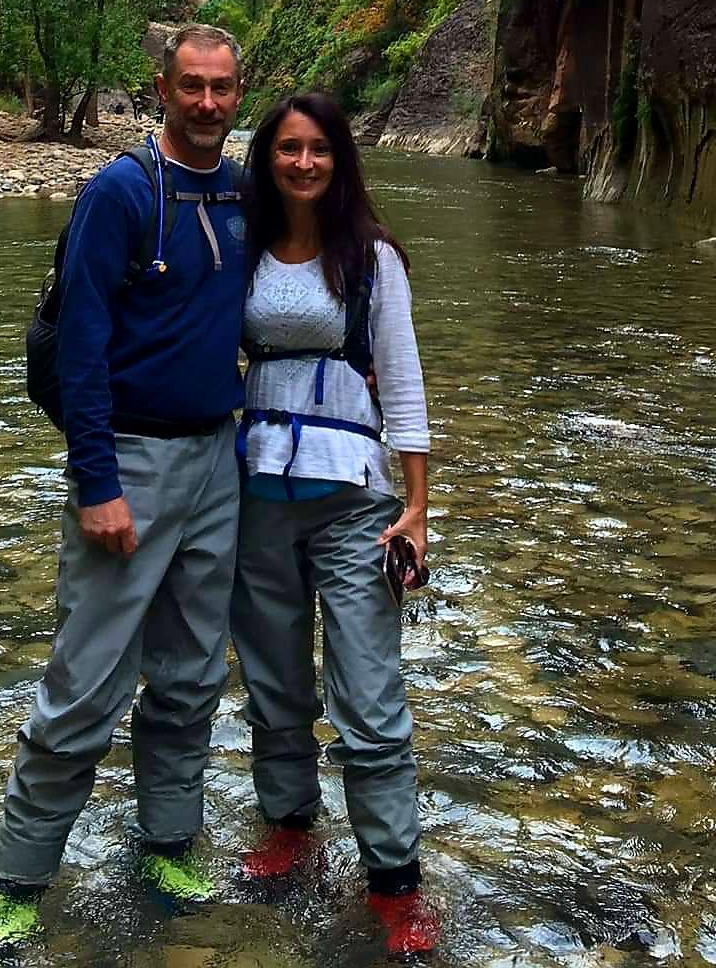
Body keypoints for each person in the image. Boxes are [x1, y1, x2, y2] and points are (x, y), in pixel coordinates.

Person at [0, 26, 250, 945]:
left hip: (219, 461)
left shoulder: (247, 192)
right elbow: (82, 347)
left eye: (222, 88)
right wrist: (96, 481)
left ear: (238, 93)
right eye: (191, 87)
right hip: (128, 461)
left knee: (188, 673)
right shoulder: (120, 193)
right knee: (86, 684)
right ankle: (16, 877)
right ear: (161, 89)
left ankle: (168, 839)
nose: (207, 104)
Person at [230, 89, 441, 957]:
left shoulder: (372, 260)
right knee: (277, 685)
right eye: (288, 148)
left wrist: (418, 508)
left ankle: (393, 880)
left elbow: (404, 383)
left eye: (318, 148)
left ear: (339, 159)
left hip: (356, 501)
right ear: (268, 158)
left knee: (369, 696)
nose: (304, 162)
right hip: (253, 498)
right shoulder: (239, 250)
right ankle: (291, 828)